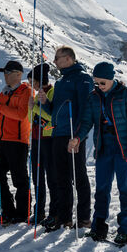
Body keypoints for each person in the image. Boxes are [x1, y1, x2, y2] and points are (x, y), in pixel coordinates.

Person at [69, 62, 127, 246]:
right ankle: (98, 228)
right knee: (101, 189)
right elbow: (86, 121)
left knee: (125, 189)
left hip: (123, 148)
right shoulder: (93, 97)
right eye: (97, 83)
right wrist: (77, 137)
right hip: (104, 147)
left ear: (111, 79)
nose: (99, 86)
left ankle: (126, 231)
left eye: (103, 83)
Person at [38, 46, 93, 232]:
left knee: (79, 177)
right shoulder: (60, 82)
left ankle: (84, 218)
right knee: (61, 178)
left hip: (73, 136)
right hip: (58, 134)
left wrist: (78, 136)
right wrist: (45, 103)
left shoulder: (83, 79)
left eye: (57, 58)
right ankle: (64, 218)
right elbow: (54, 111)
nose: (54, 61)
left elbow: (86, 110)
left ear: (69, 58)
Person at [0, 60, 33, 224]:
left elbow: (21, 114)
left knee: (19, 178)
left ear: (18, 74)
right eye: (4, 73)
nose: (5, 76)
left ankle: (23, 212)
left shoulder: (26, 91)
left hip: (18, 141)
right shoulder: (4, 92)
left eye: (8, 72)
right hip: (2, 140)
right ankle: (7, 210)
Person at [28, 63, 57, 226]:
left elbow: (52, 118)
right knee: (37, 177)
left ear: (39, 81)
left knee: (51, 177)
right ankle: (39, 211)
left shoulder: (52, 93)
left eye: (32, 81)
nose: (31, 85)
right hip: (35, 139)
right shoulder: (36, 95)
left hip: (48, 138)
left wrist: (35, 109)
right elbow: (29, 118)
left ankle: (54, 211)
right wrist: (31, 108)